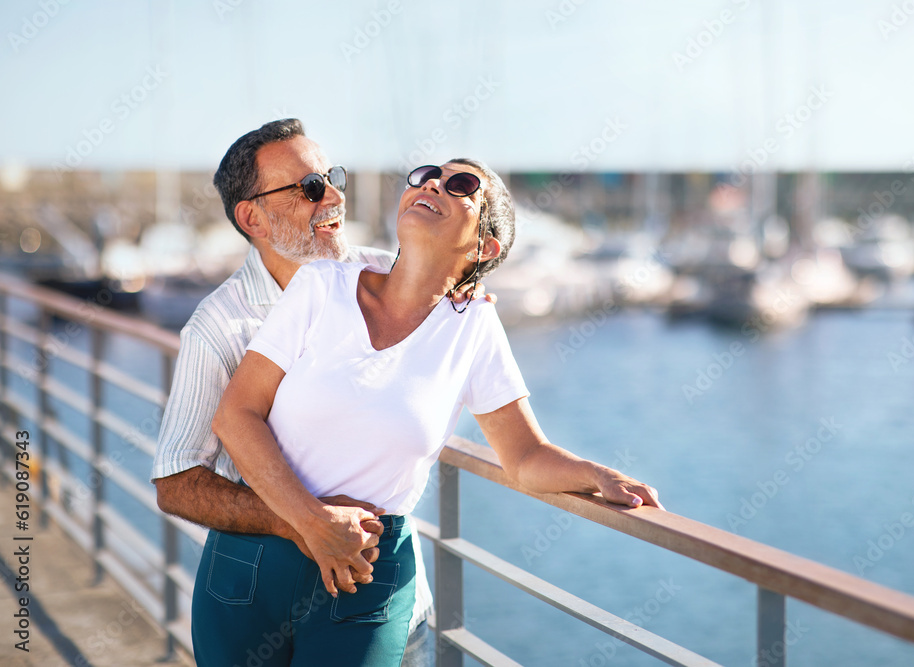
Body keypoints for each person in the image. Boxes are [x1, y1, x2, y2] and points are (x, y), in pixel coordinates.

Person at [209, 159, 664, 665]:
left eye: (461, 185)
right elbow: (236, 415)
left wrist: (595, 474)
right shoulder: (322, 286)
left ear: (485, 247)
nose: (431, 184)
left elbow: (524, 456)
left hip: (368, 565)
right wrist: (312, 522)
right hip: (255, 554)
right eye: (426, 175)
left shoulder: (474, 327)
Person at [150, 119, 467, 665]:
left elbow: (466, 282)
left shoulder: (388, 275)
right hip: (259, 594)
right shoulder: (218, 326)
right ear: (253, 217)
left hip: (383, 595)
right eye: (310, 187)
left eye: (332, 177)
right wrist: (300, 522)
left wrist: (468, 278)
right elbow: (176, 482)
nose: (334, 197)